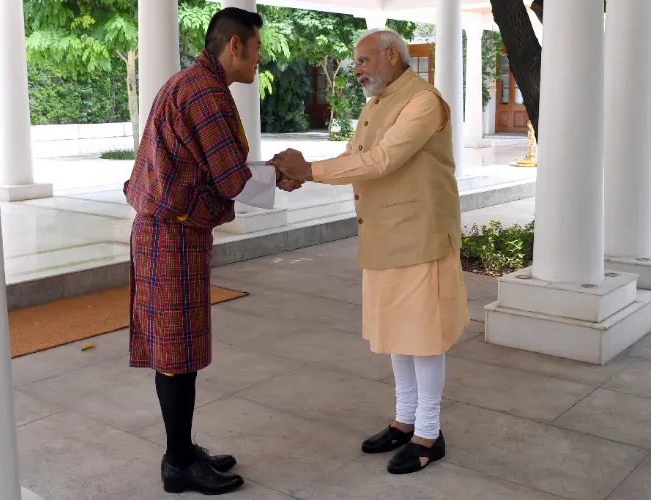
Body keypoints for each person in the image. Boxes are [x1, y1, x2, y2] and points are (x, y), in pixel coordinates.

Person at [268, 28, 469, 475]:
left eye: (363, 61)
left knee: (425, 337)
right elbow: (357, 153)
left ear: (392, 56)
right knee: (400, 333)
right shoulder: (378, 102)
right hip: (385, 234)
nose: (355, 69)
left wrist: (311, 170)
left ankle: (429, 435)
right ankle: (404, 421)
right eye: (356, 62)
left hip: (421, 234)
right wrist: (303, 172)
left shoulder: (423, 101)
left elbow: (383, 160)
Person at [123, 7, 300, 495]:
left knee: (181, 348)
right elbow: (232, 178)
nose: (260, 60)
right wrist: (287, 172)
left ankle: (181, 449)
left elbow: (220, 170)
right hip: (169, 233)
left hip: (170, 230)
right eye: (258, 49)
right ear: (235, 46)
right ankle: (178, 463)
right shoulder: (205, 93)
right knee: (178, 351)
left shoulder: (197, 83)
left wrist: (267, 173)